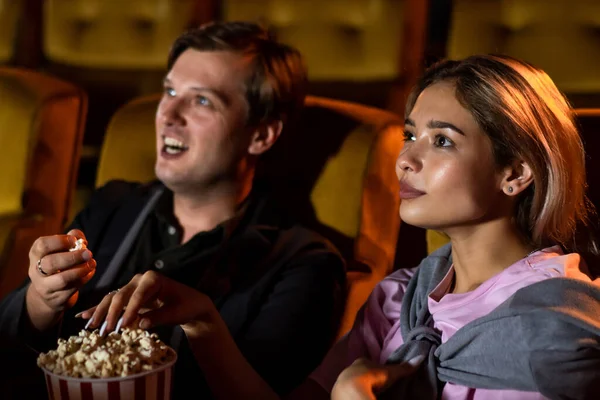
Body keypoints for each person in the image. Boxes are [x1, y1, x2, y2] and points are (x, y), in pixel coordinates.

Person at [81, 54, 600, 400]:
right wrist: (204, 323)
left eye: (442, 141)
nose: (406, 161)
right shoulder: (400, 297)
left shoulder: (554, 328)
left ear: (515, 173)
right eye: (411, 135)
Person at [0, 21, 346, 399]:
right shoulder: (112, 206)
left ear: (261, 135)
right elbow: (7, 342)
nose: (167, 114)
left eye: (201, 101)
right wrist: (41, 298)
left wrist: (204, 324)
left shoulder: (304, 263)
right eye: (169, 90)